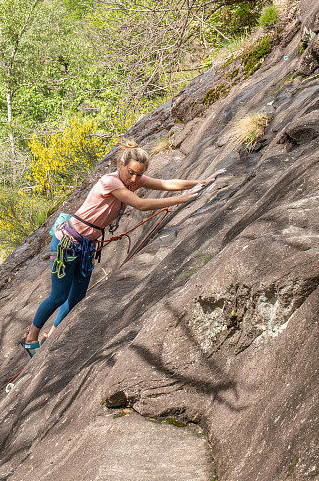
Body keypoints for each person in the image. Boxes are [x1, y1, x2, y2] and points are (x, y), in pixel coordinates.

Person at [21, 140, 223, 356]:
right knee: (59, 296)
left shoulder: (131, 181)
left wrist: (200, 181)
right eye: (131, 173)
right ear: (120, 165)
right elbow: (141, 204)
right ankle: (31, 339)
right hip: (67, 241)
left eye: (139, 174)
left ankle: (51, 335)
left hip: (87, 245)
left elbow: (165, 184)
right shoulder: (111, 182)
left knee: (77, 296)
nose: (134, 178)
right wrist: (182, 200)